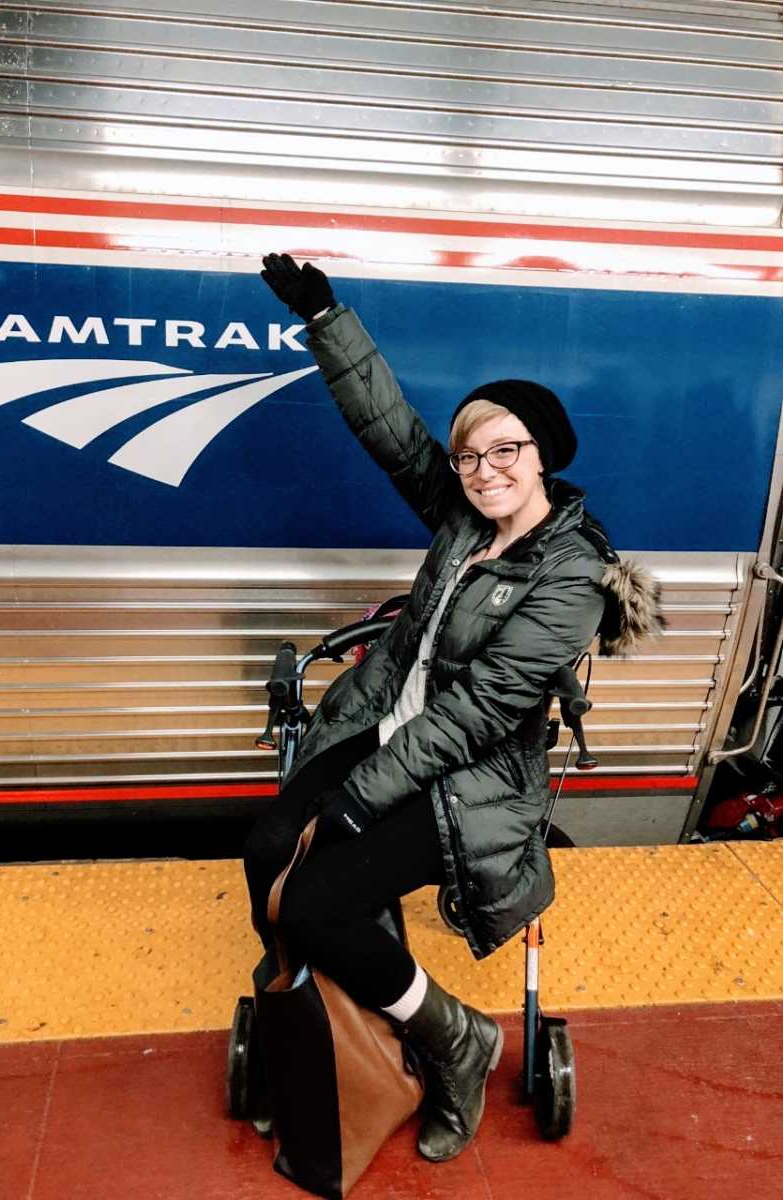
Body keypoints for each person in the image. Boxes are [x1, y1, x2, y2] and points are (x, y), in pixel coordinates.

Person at [244, 254, 663, 1162]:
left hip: (467, 783)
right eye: (471, 454)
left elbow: (475, 714)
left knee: (314, 904)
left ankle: (456, 1040)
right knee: (265, 853)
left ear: (544, 453)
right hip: (376, 725)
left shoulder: (573, 576)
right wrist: (325, 316)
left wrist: (360, 795)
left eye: (505, 449)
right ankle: (324, 1048)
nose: (483, 469)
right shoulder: (462, 518)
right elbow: (390, 430)